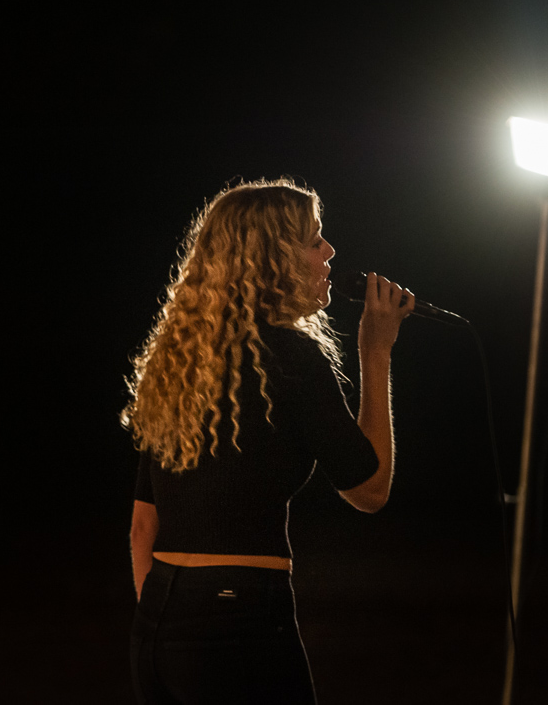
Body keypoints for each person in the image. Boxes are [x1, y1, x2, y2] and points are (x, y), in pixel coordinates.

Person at [123, 179, 415, 704]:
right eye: (314, 240)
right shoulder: (290, 358)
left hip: (159, 624)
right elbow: (369, 490)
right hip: (241, 618)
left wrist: (168, 617)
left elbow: (144, 524)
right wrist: (375, 349)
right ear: (274, 257)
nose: (329, 252)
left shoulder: (181, 361)